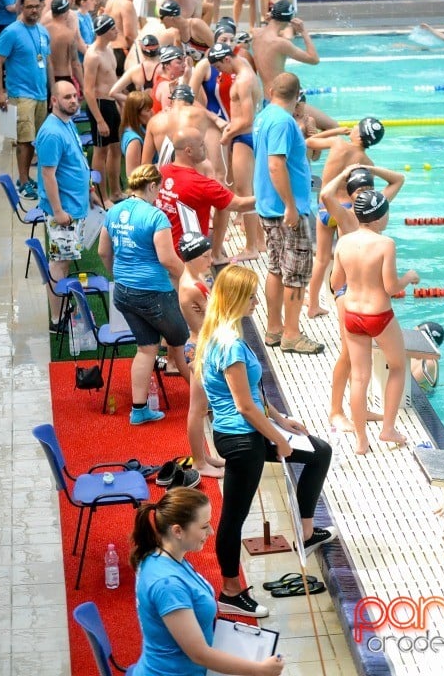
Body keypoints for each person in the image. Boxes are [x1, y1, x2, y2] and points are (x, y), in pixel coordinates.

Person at [195, 265, 335, 617]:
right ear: (237, 299)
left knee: (319, 451)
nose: (257, 301)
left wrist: (280, 418)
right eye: (253, 296)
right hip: (242, 440)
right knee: (234, 517)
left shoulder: (225, 333)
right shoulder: (228, 344)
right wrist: (278, 439)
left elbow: (254, 395)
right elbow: (243, 406)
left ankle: (306, 532)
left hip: (253, 432)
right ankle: (229, 590)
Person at [130, 487, 284, 676]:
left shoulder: (162, 556)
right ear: (177, 531)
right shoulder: (168, 585)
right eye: (204, 526)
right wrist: (259, 670)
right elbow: (199, 655)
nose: (211, 531)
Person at [98, 164, 189, 424]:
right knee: (181, 345)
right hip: (154, 294)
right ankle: (207, 399)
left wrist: (120, 274)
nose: (159, 193)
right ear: (151, 186)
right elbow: (168, 259)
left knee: (147, 348)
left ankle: (139, 410)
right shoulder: (155, 216)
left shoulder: (113, 211)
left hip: (124, 293)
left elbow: (104, 252)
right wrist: (190, 277)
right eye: (158, 188)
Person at [331, 190, 420, 455]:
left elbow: (336, 283)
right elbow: (391, 287)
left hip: (352, 314)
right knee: (397, 366)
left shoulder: (345, 242)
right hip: (379, 315)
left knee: (359, 377)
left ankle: (361, 440)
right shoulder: (385, 244)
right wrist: (409, 278)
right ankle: (388, 428)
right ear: (379, 216)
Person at [319, 163, 405, 433]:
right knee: (348, 355)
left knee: (361, 362)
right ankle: (335, 410)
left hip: (367, 293)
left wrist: (369, 168)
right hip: (348, 293)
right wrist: (344, 176)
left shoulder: (374, 208)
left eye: (369, 188)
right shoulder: (347, 218)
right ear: (350, 193)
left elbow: (398, 180)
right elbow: (325, 196)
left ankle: (360, 409)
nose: (365, 192)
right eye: (359, 189)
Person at [253, 73, 324, 355]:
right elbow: (275, 165)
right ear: (298, 96)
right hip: (286, 211)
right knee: (295, 273)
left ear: (271, 90)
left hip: (268, 207)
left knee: (275, 267)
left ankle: (274, 329)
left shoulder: (264, 115)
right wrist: (291, 207)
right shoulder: (283, 121)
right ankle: (292, 334)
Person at [307, 117, 385, 320]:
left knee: (322, 260)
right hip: (348, 211)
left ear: (358, 134)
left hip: (326, 207)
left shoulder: (338, 143)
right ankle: (346, 305)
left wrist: (334, 132)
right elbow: (365, 194)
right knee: (345, 261)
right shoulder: (368, 163)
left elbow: (310, 142)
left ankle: (313, 305)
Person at [36, 80, 92, 330]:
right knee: (59, 263)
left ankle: (60, 311)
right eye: (67, 97)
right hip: (64, 212)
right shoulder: (51, 132)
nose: (73, 101)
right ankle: (56, 319)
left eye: (75, 96)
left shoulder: (66, 123)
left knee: (65, 260)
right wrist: (58, 211)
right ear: (54, 101)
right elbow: (48, 174)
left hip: (73, 207)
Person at [156, 127, 255, 265]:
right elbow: (240, 204)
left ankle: (216, 252)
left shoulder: (161, 172)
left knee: (221, 205)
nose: (206, 148)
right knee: (224, 205)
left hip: (160, 250)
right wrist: (274, 197)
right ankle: (216, 255)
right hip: (187, 255)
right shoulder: (200, 184)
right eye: (202, 145)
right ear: (189, 151)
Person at [0, 0, 53, 198]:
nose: (33, 10)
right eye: (29, 6)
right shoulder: (11, 32)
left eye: (37, 6)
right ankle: (24, 180)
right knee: (24, 141)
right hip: (21, 94)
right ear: (22, 7)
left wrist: (52, 91)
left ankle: (28, 178)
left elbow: (47, 62)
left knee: (37, 140)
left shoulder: (43, 31)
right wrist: (0, 93)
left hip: (41, 95)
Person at [208, 42, 263, 263]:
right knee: (248, 188)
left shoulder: (243, 80)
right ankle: (259, 241)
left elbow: (247, 120)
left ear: (227, 59)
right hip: (246, 135)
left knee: (243, 191)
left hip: (245, 137)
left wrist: (228, 135)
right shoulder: (246, 74)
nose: (221, 73)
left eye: (220, 68)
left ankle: (251, 247)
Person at [178, 232, 225, 478]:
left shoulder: (195, 277)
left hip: (201, 346)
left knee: (201, 408)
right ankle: (198, 462)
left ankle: (203, 455)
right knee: (197, 410)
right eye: (205, 256)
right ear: (192, 258)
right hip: (201, 351)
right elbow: (215, 319)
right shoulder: (192, 286)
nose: (210, 260)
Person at [251, 2, 335, 134]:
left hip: (269, 100)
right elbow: (314, 59)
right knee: (333, 127)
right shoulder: (281, 43)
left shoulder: (255, 34)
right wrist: (303, 31)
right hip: (286, 100)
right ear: (290, 20)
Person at [83, 13, 123, 206]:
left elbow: (112, 81)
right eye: (114, 29)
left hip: (111, 103)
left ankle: (115, 192)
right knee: (100, 152)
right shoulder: (93, 56)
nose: (117, 31)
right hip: (99, 105)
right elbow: (88, 91)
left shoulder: (108, 50)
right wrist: (99, 120)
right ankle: (102, 196)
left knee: (116, 149)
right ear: (106, 31)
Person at [45, 0, 84, 88]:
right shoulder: (69, 34)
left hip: (45, 78)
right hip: (63, 78)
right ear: (65, 12)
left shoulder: (43, 30)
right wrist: (83, 85)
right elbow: (75, 64)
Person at [120, 90, 154, 176]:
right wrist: (160, 166)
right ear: (135, 113)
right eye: (147, 110)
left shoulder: (140, 128)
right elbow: (132, 174)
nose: (152, 112)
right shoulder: (134, 141)